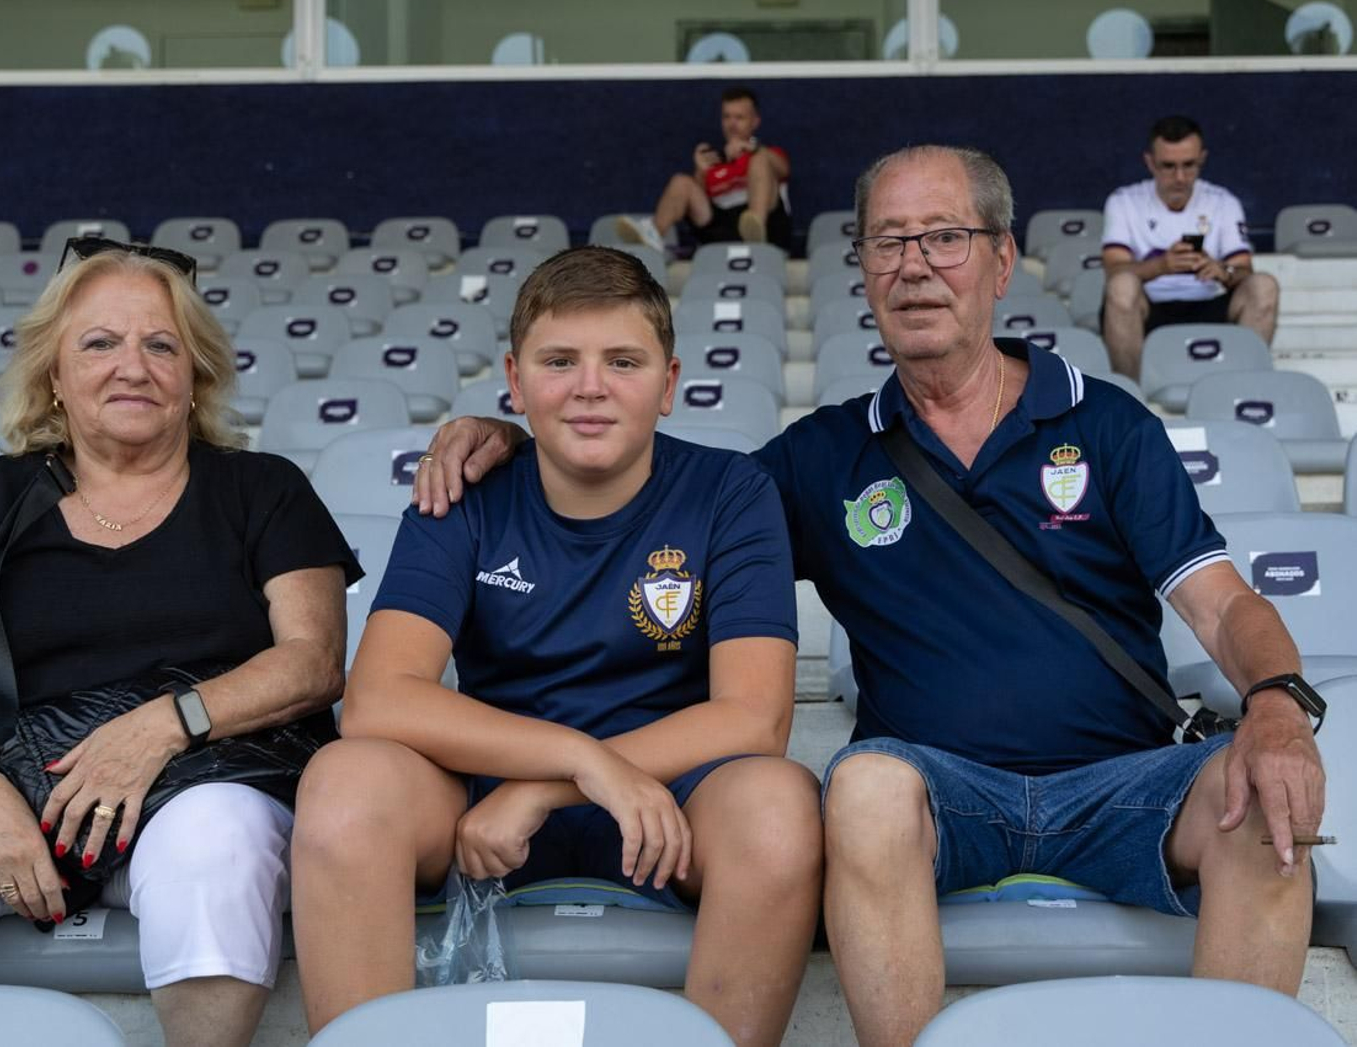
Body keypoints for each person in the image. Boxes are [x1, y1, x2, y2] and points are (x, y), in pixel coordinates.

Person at [415, 147, 1326, 1047]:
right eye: (887, 242)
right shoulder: (820, 456)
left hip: (1123, 781)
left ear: (1002, 261)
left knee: (1266, 803)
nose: (915, 265)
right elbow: (648, 498)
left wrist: (1278, 707)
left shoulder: (1107, 422)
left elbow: (1222, 606)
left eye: (944, 237)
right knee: (862, 786)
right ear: (862, 272)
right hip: (933, 791)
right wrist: (521, 436)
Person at [0, 239, 360, 1047]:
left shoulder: (262, 489)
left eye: (160, 344)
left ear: (195, 375)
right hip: (9, 786)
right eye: (99, 343)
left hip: (200, 776)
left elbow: (312, 663)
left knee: (217, 840)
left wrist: (162, 725)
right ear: (53, 377)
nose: (131, 366)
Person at [291, 246, 821, 1046]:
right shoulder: (464, 492)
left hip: (672, 798)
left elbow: (753, 717)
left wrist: (559, 783)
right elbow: (376, 699)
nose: (590, 386)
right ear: (515, 377)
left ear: (670, 381)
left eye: (623, 360)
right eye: (560, 360)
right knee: (342, 782)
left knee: (779, 807)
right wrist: (580, 757)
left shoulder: (731, 491)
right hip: (480, 804)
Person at [1101, 114, 1279, 378]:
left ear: (1202, 159)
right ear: (1150, 163)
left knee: (1265, 286)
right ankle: (1132, 393)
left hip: (1209, 302)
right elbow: (1113, 271)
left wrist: (1222, 271)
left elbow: (1244, 271)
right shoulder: (1124, 201)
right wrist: (1161, 266)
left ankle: (1242, 384)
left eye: (1189, 165)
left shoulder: (1223, 202)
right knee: (1121, 287)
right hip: (1150, 308)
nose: (1180, 177)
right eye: (1168, 166)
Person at [616, 85, 793, 252]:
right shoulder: (714, 163)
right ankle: (653, 236)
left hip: (769, 231)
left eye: (739, 118)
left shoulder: (766, 154)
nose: (732, 124)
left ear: (755, 122)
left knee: (759, 160)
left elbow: (784, 169)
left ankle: (755, 231)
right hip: (722, 231)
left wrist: (753, 149)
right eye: (727, 117)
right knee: (681, 182)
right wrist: (701, 172)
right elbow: (698, 212)